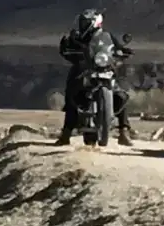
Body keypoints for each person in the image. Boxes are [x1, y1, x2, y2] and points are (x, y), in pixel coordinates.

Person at [56, 9, 134, 146]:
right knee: (72, 92)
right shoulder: (78, 36)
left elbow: (116, 47)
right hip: (85, 68)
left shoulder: (106, 36)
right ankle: (66, 133)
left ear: (95, 22)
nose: (83, 25)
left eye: (86, 22)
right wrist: (67, 46)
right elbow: (67, 47)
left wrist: (123, 51)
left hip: (104, 67)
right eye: (82, 22)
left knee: (121, 93)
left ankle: (124, 131)